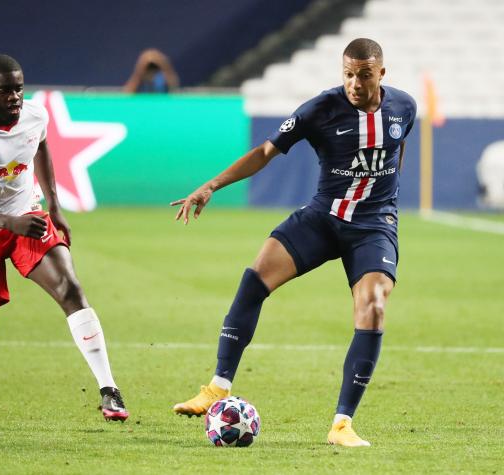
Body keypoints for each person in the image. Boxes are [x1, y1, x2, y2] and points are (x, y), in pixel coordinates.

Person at [170, 38, 416, 447]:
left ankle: (341, 424)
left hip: (373, 226)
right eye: (349, 74)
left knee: (373, 306)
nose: (355, 83)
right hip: (322, 217)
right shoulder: (321, 108)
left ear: (381, 74)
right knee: (256, 276)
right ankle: (217, 386)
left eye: (365, 75)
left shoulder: (404, 107)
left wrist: (386, 197)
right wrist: (211, 185)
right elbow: (266, 151)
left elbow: (398, 147)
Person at [0, 54, 129, 422]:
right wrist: (9, 223)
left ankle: (109, 390)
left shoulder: (35, 115)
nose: (14, 97)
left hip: (28, 216)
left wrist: (54, 206)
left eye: (19, 88)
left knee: (70, 290)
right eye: (4, 90)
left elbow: (39, 145)